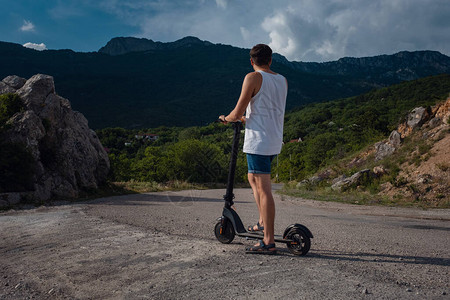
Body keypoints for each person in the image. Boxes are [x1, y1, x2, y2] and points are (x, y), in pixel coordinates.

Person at [219, 44, 288, 255]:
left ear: (251, 61)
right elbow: (266, 108)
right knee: (252, 178)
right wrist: (246, 118)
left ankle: (268, 241)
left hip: (258, 141)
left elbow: (237, 110)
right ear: (271, 60)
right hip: (273, 139)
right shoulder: (282, 80)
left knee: (264, 189)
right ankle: (261, 221)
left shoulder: (252, 77)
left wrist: (226, 118)